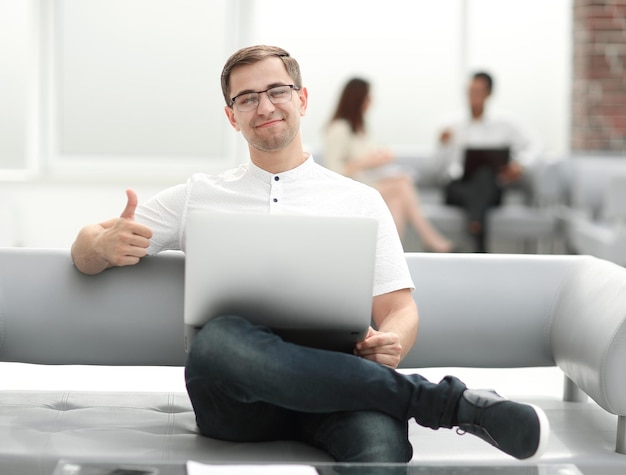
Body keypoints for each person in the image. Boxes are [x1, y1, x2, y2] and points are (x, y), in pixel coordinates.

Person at [71, 45, 549, 464]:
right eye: (247, 98)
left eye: (277, 91)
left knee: (380, 450)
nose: (264, 106)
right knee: (218, 340)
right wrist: (98, 244)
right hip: (237, 400)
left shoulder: (360, 200)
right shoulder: (199, 194)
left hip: (340, 390)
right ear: (231, 115)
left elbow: (399, 309)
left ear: (301, 99)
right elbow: (85, 248)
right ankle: (448, 405)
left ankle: (432, 402)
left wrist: (394, 341)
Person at [324, 78, 453, 253]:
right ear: (357, 99)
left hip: (365, 182)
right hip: (350, 189)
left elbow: (363, 159)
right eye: (368, 97)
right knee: (401, 185)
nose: (371, 101)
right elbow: (333, 171)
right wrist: (368, 161)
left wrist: (379, 157)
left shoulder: (360, 128)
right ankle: (429, 239)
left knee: (398, 197)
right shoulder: (339, 129)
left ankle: (390, 253)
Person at [434, 71, 543, 252]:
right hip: (458, 189)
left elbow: (537, 144)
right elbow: (434, 171)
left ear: (489, 94)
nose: (472, 97)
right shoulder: (451, 124)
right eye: (470, 91)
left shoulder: (505, 123)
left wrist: (521, 164)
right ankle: (478, 238)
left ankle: (475, 225)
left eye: (478, 91)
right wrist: (442, 146)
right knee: (475, 191)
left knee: (485, 175)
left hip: (490, 189)